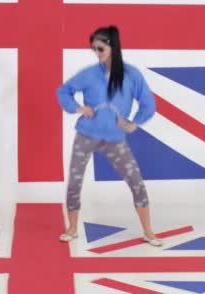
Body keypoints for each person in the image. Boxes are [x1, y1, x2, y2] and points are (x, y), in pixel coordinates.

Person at [56, 25, 162, 246]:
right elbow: (63, 90)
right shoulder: (89, 74)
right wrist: (78, 108)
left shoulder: (132, 75)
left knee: (136, 182)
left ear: (113, 47)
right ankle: (72, 228)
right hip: (86, 136)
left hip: (115, 140)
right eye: (94, 48)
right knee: (75, 182)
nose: (97, 53)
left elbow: (148, 103)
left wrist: (135, 122)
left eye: (100, 48)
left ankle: (148, 231)